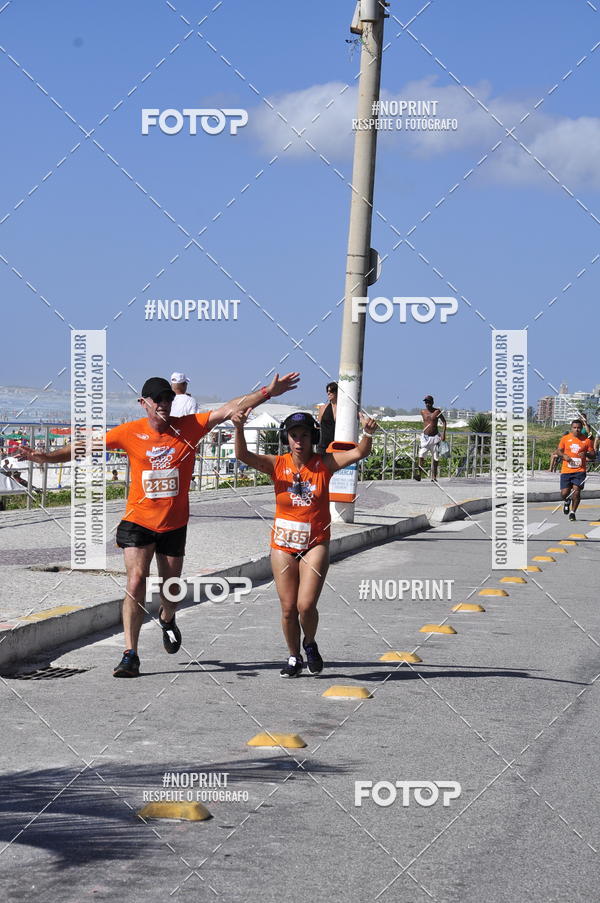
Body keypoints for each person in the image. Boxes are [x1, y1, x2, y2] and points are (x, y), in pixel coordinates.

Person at [17, 371, 300, 678]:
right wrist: (46, 457)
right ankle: (130, 654)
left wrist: (268, 392)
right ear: (144, 403)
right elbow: (85, 446)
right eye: (158, 399)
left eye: (169, 399)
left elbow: (230, 408)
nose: (164, 404)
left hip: (173, 525)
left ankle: (167, 618)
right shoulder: (129, 432)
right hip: (137, 521)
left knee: (171, 590)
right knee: (136, 581)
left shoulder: (188, 428)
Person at [233, 407, 378, 678]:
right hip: (283, 545)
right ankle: (293, 656)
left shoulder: (325, 464)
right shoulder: (277, 464)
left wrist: (368, 433)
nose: (299, 441)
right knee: (288, 609)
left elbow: (360, 452)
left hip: (315, 544)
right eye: (294, 435)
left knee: (305, 606)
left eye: (304, 435)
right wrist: (239, 428)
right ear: (286, 438)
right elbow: (242, 455)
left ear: (313, 437)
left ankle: (309, 643)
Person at [556, 419, 594, 521]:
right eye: (574, 428)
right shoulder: (565, 438)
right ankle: (567, 501)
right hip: (566, 470)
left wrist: (586, 454)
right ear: (571, 428)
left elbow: (593, 454)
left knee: (576, 492)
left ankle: (573, 513)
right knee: (564, 493)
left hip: (580, 470)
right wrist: (564, 455)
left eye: (578, 428)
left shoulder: (586, 440)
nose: (577, 430)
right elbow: (558, 450)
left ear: (581, 429)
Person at [416, 395, 446, 482]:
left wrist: (443, 434)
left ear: (432, 402)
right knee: (421, 455)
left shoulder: (437, 411)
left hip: (435, 437)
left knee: (435, 457)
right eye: (426, 402)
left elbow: (444, 422)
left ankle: (434, 477)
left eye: (429, 402)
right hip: (425, 438)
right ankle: (419, 475)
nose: (427, 404)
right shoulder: (422, 411)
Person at [317, 382, 338, 454]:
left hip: (338, 444)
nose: (329, 393)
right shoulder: (323, 408)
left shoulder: (343, 409)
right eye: (327, 391)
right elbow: (319, 425)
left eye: (331, 391)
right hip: (324, 445)